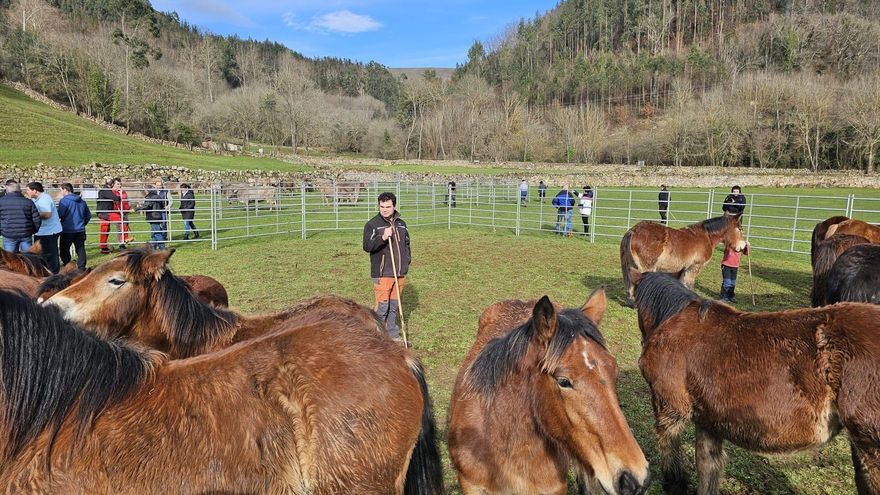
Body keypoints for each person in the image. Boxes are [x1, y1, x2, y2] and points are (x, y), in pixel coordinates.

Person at [363, 192, 411, 342]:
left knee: (394, 306)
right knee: (382, 308)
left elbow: (407, 244)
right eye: (382, 206)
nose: (384, 209)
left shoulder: (401, 224)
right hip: (383, 272)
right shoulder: (372, 225)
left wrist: (406, 261)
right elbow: (367, 246)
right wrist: (382, 237)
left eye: (388, 206)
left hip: (399, 272)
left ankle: (393, 334)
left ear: (394, 206)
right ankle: (375, 338)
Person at [26, 181, 62, 274]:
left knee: (50, 254)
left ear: (35, 190)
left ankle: (54, 273)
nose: (27, 192)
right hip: (42, 231)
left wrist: (32, 215)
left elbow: (47, 214)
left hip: (49, 231)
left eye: (28, 190)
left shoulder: (45, 198)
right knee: (42, 254)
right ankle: (48, 272)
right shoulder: (36, 199)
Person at [57, 183, 92, 270]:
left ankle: (68, 265)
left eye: (61, 190)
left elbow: (60, 214)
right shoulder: (82, 201)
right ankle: (81, 267)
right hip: (80, 229)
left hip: (67, 229)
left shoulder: (64, 201)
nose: (61, 192)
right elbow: (88, 215)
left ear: (65, 189)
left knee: (64, 249)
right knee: (80, 249)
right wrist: (83, 223)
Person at [0, 180, 41, 253]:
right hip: (25, 234)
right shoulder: (28, 202)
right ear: (19, 190)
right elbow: (37, 219)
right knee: (28, 258)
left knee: (9, 260)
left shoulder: (1, 201)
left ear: (6, 191)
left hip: (8, 234)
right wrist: (33, 231)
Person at [97, 178, 129, 254]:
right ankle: (124, 239)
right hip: (106, 212)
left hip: (102, 212)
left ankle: (103, 247)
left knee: (105, 229)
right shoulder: (106, 190)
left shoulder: (103, 190)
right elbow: (115, 198)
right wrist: (120, 197)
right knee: (121, 220)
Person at [137, 185, 168, 250]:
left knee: (157, 233)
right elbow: (162, 205)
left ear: (148, 190)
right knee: (154, 233)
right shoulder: (158, 196)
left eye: (145, 190)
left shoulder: (150, 197)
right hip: (158, 216)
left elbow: (147, 206)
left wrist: (137, 208)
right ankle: (153, 247)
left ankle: (162, 248)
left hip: (153, 217)